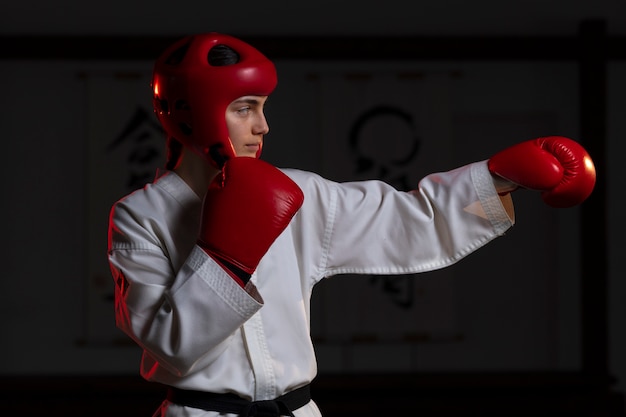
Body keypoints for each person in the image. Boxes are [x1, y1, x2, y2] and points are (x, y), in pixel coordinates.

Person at [107, 32, 596, 417]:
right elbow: (170, 345)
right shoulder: (141, 216)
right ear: (192, 115)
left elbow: (409, 221)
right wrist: (224, 255)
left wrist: (495, 181)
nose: (263, 126)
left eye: (263, 107)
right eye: (244, 109)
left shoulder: (299, 194)